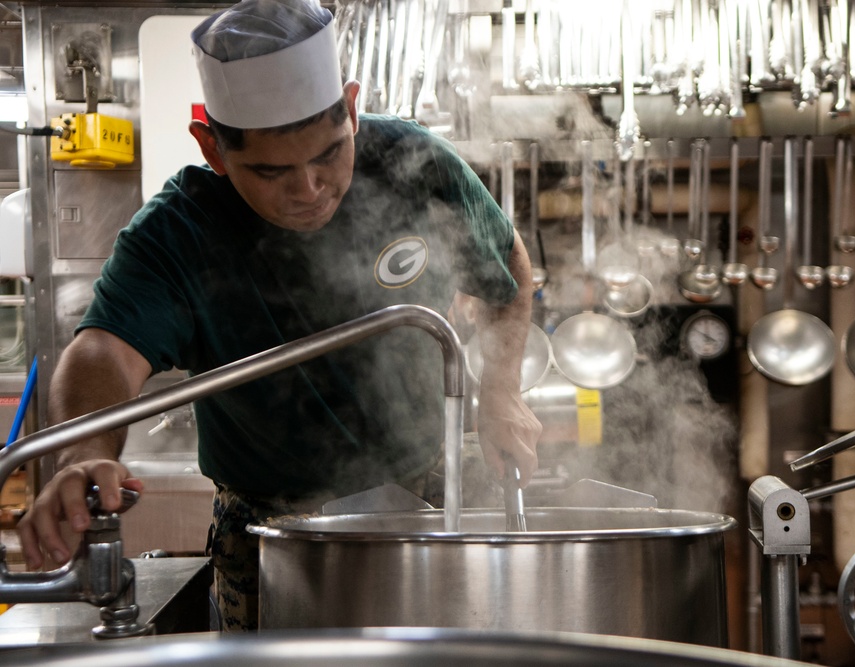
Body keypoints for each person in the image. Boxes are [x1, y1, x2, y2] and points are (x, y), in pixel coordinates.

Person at [17, 0, 542, 631]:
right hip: (263, 529)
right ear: (212, 147)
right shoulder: (181, 233)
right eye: (272, 171)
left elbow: (505, 268)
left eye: (328, 154)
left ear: (350, 110)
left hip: (423, 504)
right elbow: (103, 352)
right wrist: (81, 457)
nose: (309, 188)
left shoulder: (416, 166)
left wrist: (502, 389)